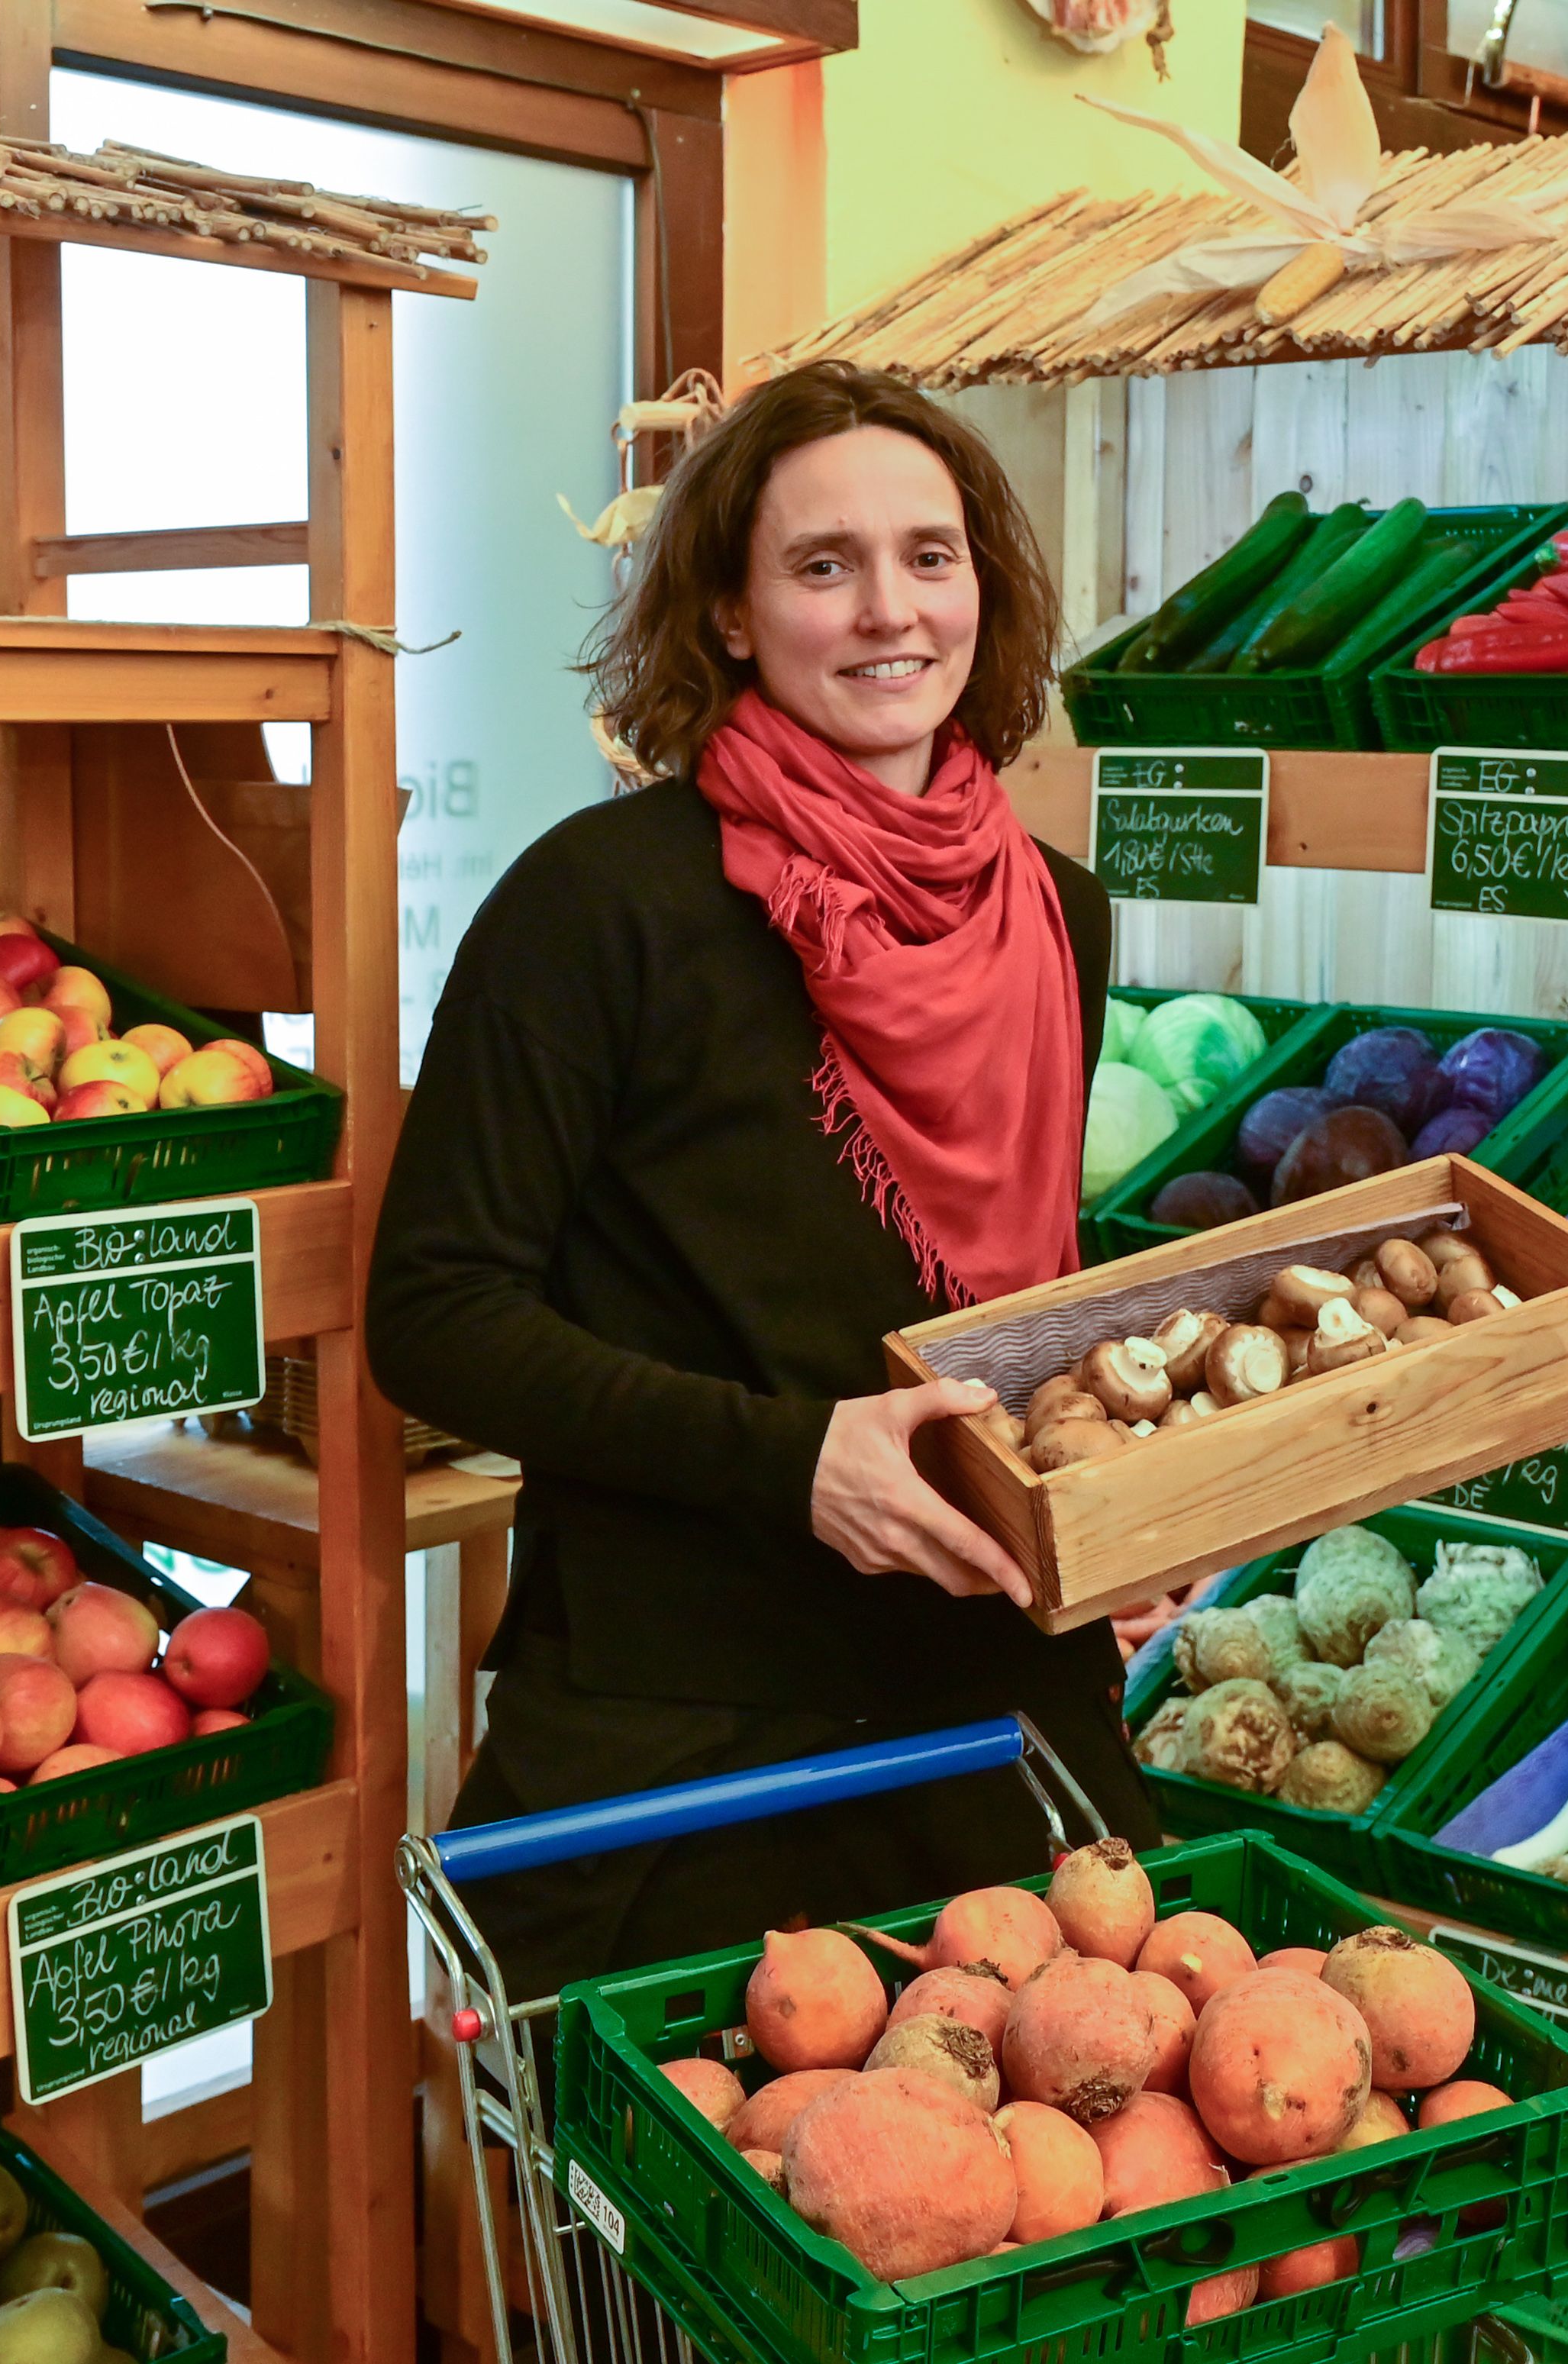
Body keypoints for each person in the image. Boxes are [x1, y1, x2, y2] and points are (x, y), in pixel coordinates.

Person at [369, 360, 1155, 1998]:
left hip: (997, 1715)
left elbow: (1018, 1308)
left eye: (931, 556)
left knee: (1029, 2210)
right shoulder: (597, 905)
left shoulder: (1056, 917)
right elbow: (434, 1316)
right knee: (658, 2240)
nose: (891, 609)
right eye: (823, 564)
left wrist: (1121, 1502)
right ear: (729, 614)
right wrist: (792, 1460)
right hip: (685, 1736)